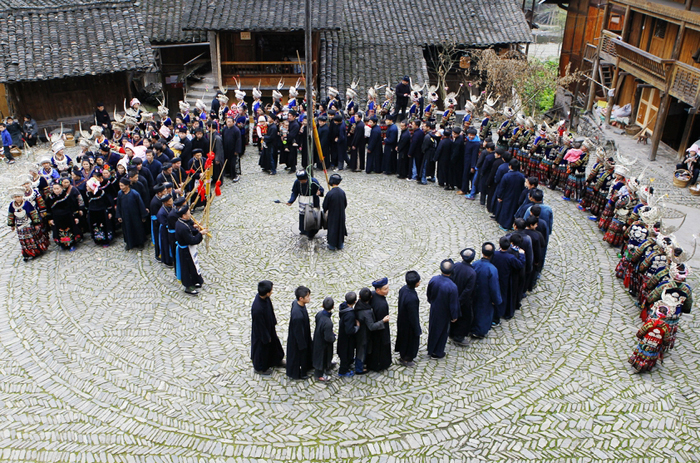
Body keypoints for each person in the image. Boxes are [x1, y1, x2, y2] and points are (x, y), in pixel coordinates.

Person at [250, 280, 285, 375]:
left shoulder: (266, 298)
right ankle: (260, 368)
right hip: (261, 332)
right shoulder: (257, 308)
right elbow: (259, 325)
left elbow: (270, 309)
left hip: (269, 327)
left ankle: (276, 360)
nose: (272, 291)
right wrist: (266, 337)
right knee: (261, 349)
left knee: (274, 345)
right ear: (267, 293)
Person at [426, 260, 460, 359]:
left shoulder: (434, 279)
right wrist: (454, 316)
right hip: (444, 312)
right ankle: (438, 352)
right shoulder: (452, 287)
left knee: (433, 328)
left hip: (435, 308)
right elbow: (453, 304)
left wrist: (431, 301)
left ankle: (431, 348)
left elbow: (429, 293)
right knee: (442, 332)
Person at [490, 236, 525, 323]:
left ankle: (495, 315)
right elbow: (520, 265)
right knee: (504, 296)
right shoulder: (510, 258)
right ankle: (502, 313)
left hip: (496, 277)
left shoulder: (494, 254)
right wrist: (522, 254)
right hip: (505, 279)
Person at [354, 287, 388, 375]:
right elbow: (372, 326)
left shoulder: (358, 304)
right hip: (364, 335)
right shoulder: (367, 312)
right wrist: (383, 321)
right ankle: (359, 368)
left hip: (359, 332)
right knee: (361, 351)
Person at [471, 243, 502, 338]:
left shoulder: (475, 264)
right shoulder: (492, 269)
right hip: (485, 295)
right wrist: (496, 300)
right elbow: (494, 286)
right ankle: (479, 331)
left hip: (474, 292)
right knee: (483, 314)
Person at [629, 303, 671, 373]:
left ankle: (637, 363)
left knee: (641, 353)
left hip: (645, 342)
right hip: (655, 345)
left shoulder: (650, 322)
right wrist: (665, 343)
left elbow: (642, 330)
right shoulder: (665, 327)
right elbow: (666, 338)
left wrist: (639, 335)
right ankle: (646, 366)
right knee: (650, 356)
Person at [7, 187, 48, 261]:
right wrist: (12, 224)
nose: (17, 198)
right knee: (23, 240)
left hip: (29, 224)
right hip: (20, 226)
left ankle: (35, 251)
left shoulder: (27, 204)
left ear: (22, 196)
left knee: (32, 239)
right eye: (16, 197)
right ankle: (27, 253)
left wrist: (36, 223)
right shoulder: (12, 205)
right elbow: (11, 215)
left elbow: (33, 213)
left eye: (19, 196)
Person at [174, 205, 206, 295]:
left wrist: (196, 228)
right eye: (188, 213)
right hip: (185, 251)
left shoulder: (183, 222)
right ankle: (188, 286)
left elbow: (190, 229)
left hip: (188, 249)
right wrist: (200, 234)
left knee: (193, 266)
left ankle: (196, 280)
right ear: (183, 215)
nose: (190, 214)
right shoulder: (182, 227)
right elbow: (192, 240)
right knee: (187, 269)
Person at [450, 248, 477, 346]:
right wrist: (460, 301)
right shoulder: (472, 273)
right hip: (463, 300)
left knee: (454, 316)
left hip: (454, 296)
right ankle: (459, 337)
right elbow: (468, 290)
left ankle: (452, 333)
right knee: (465, 318)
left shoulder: (456, 266)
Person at [286, 170, 324, 238]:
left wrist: (320, 192)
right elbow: (294, 192)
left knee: (313, 217)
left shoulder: (313, 181)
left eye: (303, 180)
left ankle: (312, 232)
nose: (302, 182)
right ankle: (303, 230)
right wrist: (291, 201)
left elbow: (320, 189)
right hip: (302, 201)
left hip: (313, 201)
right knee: (302, 216)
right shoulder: (297, 182)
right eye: (300, 180)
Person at [286, 286, 314, 379]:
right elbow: (298, 333)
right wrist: (302, 345)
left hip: (303, 334)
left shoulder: (296, 304)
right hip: (298, 340)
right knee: (299, 357)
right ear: (301, 298)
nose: (309, 298)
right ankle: (300, 373)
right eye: (307, 296)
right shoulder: (297, 315)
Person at [395, 270, 422, 366]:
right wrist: (417, 328)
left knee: (403, 338)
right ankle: (406, 358)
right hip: (409, 324)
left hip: (402, 319)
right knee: (409, 341)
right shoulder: (412, 298)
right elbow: (413, 315)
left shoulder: (403, 289)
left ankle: (403, 354)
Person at [116, 177, 148, 250]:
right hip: (125, 215)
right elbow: (119, 205)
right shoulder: (120, 194)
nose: (121, 187)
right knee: (127, 229)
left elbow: (140, 205)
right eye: (120, 186)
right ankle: (129, 243)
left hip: (135, 215)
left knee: (137, 229)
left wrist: (143, 216)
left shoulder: (135, 194)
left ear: (127, 185)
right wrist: (119, 216)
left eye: (122, 185)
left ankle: (140, 243)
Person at [46, 182, 80, 250]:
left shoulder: (67, 196)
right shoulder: (50, 198)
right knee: (59, 232)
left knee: (70, 231)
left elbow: (73, 207)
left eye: (58, 188)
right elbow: (48, 209)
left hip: (68, 217)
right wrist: (50, 219)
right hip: (57, 218)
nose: (56, 190)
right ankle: (63, 244)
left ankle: (71, 244)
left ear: (61, 188)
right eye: (54, 189)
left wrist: (76, 216)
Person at [368, 277, 392, 371]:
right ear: (378, 290)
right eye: (385, 289)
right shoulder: (381, 305)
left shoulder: (373, 295)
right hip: (380, 329)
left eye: (387, 288)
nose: (387, 290)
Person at [495, 159, 526, 230]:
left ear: (510, 166)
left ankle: (505, 225)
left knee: (506, 210)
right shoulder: (521, 176)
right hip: (517, 195)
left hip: (507, 195)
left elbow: (502, 187)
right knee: (514, 210)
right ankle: (512, 224)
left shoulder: (506, 176)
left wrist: (499, 196)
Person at [312, 297, 336, 382]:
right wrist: (333, 337)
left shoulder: (319, 314)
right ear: (333, 307)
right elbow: (328, 338)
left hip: (318, 338)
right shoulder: (328, 322)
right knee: (322, 357)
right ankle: (319, 375)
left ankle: (327, 366)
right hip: (323, 344)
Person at [85, 176, 114, 246]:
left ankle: (106, 241)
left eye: (88, 186)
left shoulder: (101, 193)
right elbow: (87, 204)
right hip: (92, 212)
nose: (86, 188)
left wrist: (109, 212)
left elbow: (108, 203)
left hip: (102, 212)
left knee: (104, 226)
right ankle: (97, 239)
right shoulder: (88, 194)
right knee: (95, 226)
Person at [337, 291, 360, 377]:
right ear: (355, 302)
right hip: (346, 339)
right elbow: (349, 330)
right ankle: (343, 371)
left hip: (343, 336)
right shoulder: (350, 314)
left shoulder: (343, 307)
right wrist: (357, 327)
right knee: (345, 355)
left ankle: (349, 361)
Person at [322, 173, 347, 251]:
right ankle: (340, 244)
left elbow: (325, 205)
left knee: (333, 229)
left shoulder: (330, 194)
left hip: (333, 214)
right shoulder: (342, 192)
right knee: (340, 228)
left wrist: (325, 211)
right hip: (341, 214)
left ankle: (332, 245)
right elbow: (345, 204)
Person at [222, 116, 243, 181]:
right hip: (226, 149)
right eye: (227, 121)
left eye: (229, 121)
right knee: (227, 161)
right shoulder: (224, 129)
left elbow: (238, 141)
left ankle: (235, 175)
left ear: (233, 122)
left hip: (233, 149)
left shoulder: (236, 130)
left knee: (233, 163)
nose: (228, 123)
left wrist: (237, 150)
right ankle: (228, 173)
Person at [156, 194, 174, 266]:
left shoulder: (170, 207)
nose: (172, 201)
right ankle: (168, 260)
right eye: (170, 200)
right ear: (165, 203)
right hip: (165, 230)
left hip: (170, 228)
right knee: (166, 245)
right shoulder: (161, 213)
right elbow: (165, 223)